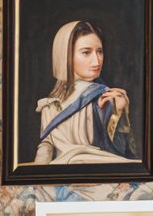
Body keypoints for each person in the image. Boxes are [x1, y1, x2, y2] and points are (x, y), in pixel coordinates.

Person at [29, 20, 135, 168]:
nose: (97, 60)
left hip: (97, 168)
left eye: (100, 51)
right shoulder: (49, 103)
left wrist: (118, 113)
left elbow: (118, 150)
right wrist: (34, 176)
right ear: (65, 56)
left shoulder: (104, 96)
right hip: (59, 174)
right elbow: (46, 146)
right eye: (86, 52)